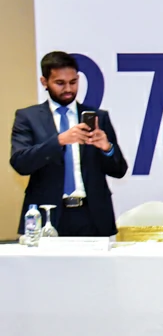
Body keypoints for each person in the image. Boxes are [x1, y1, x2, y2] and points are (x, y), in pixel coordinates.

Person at [10, 51, 128, 236]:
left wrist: (107, 148)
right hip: (47, 214)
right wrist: (59, 141)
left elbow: (119, 170)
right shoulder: (28, 118)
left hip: (92, 215)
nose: (68, 89)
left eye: (73, 82)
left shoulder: (98, 117)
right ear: (44, 82)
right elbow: (20, 163)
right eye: (60, 83)